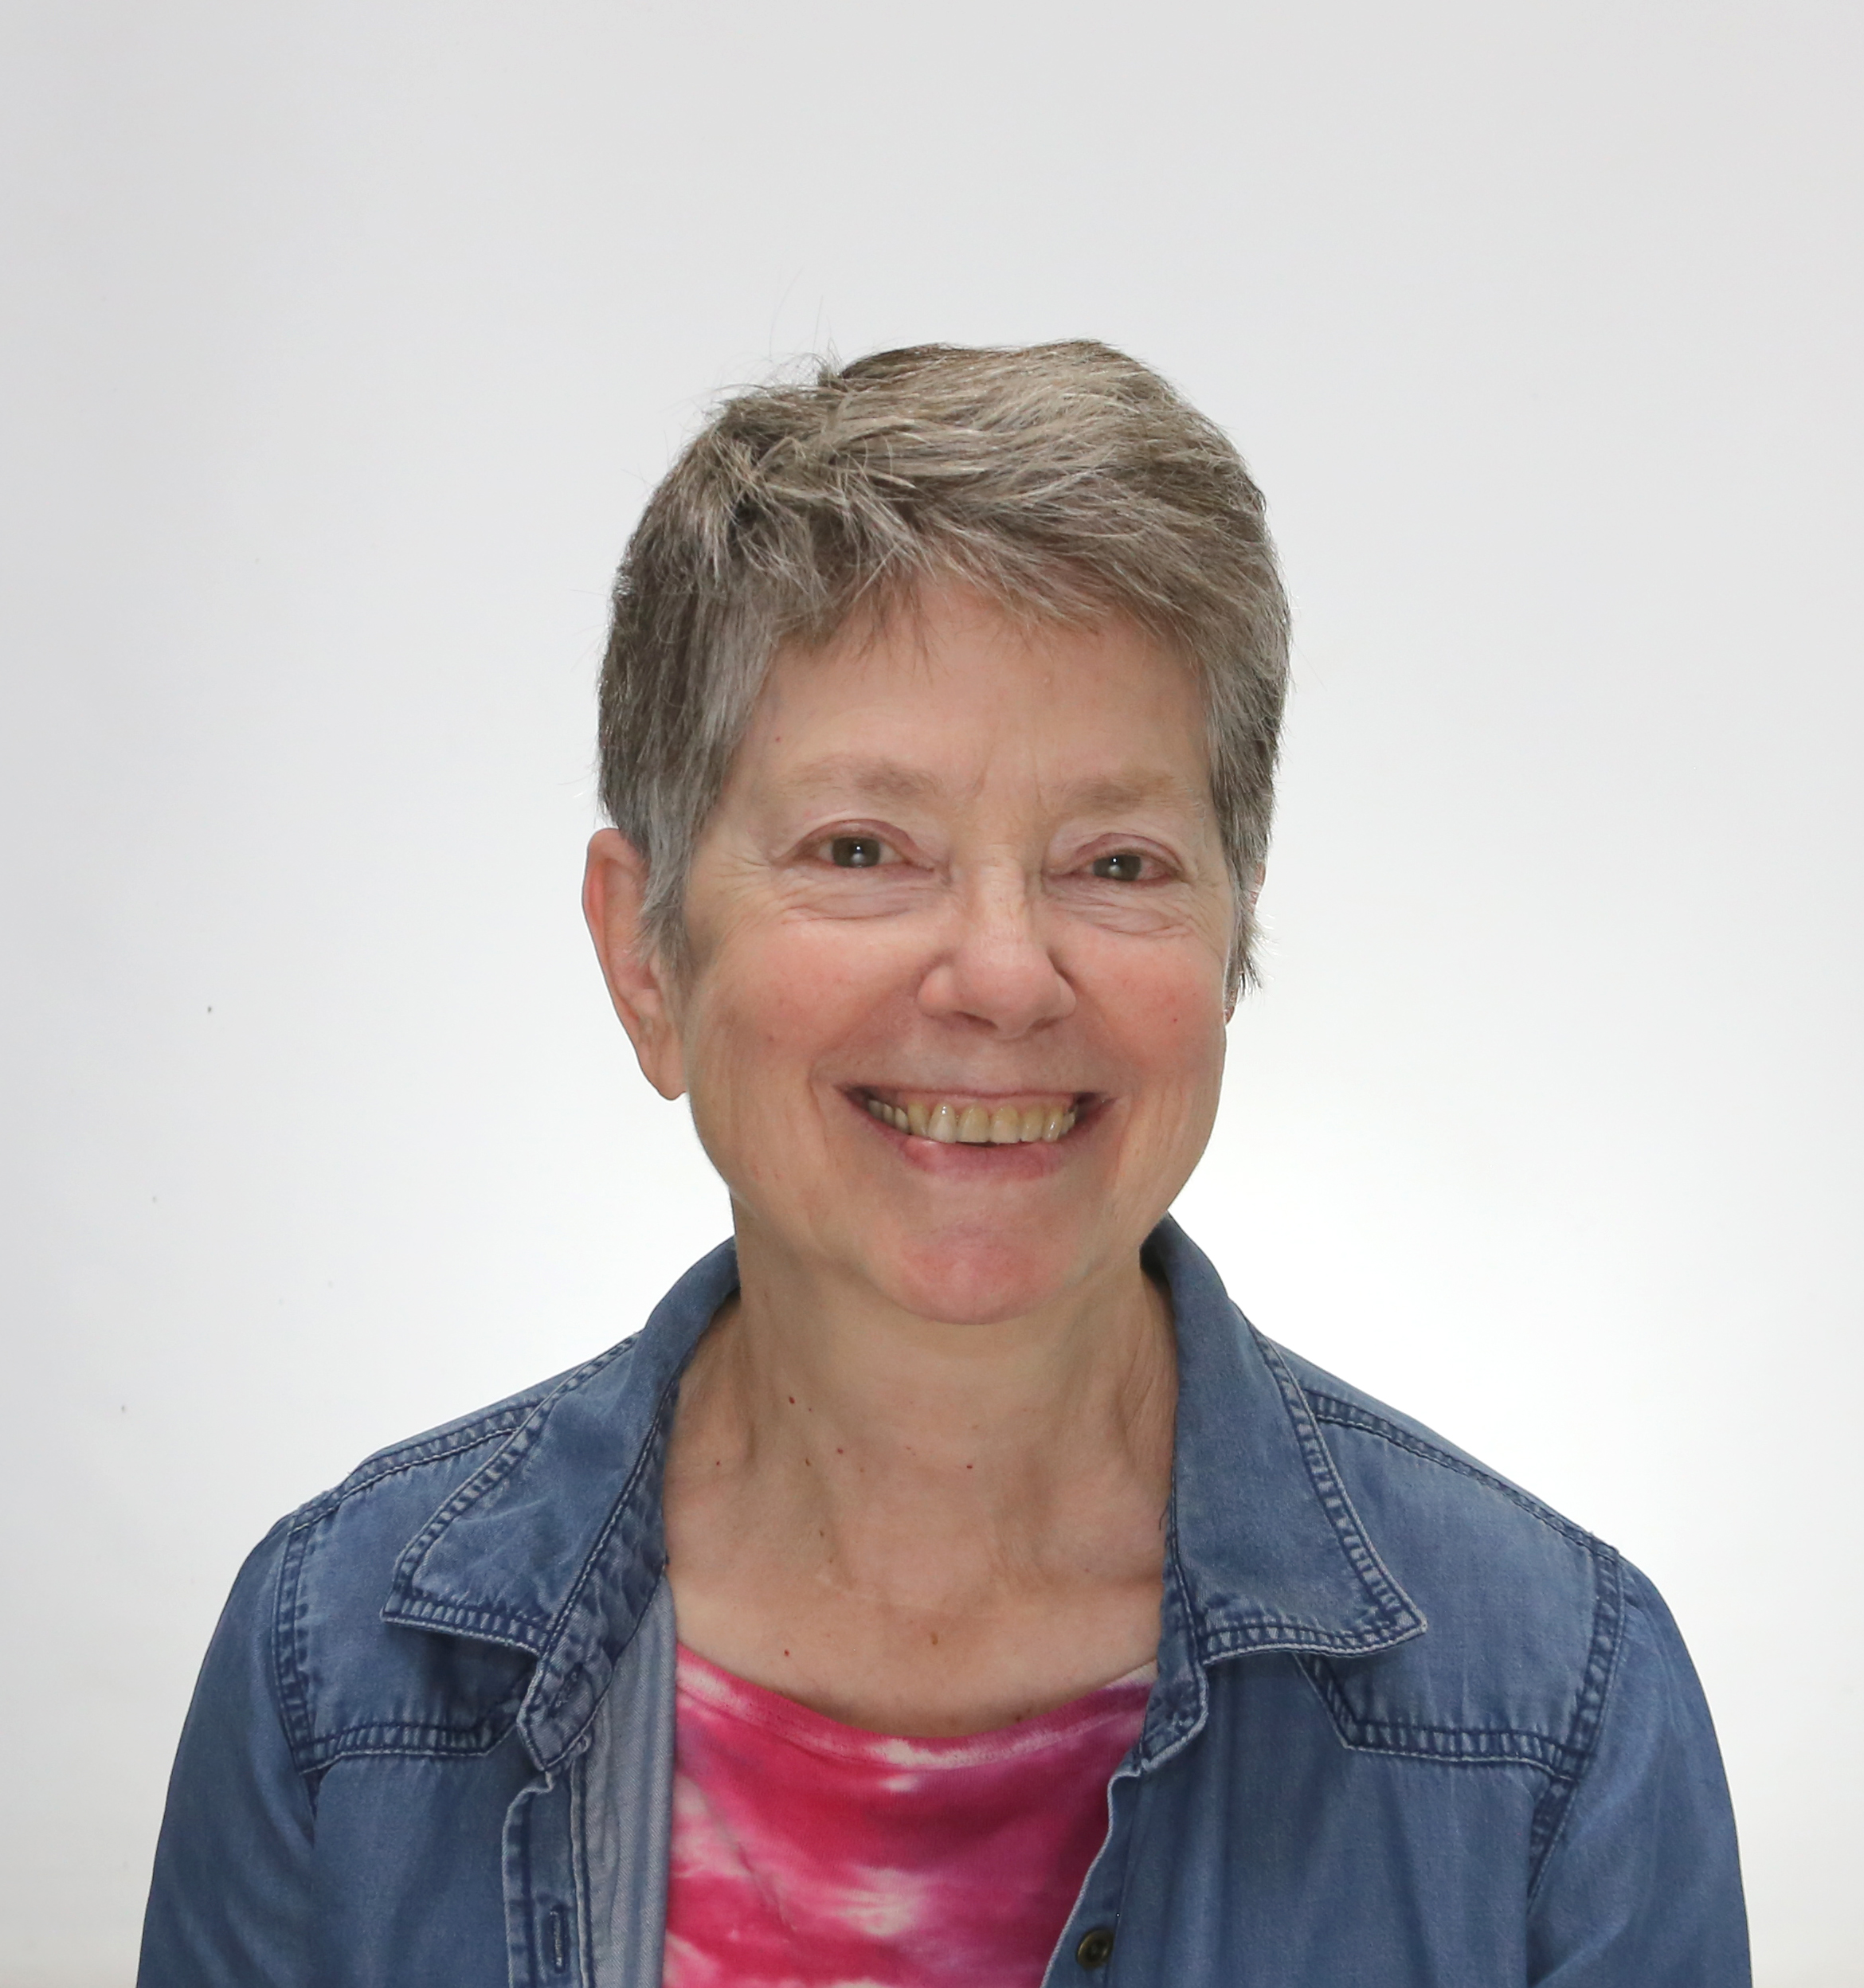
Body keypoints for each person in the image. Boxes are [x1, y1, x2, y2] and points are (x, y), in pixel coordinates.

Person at [137, 342, 1748, 1987]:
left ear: (1230, 935)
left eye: (1116, 863)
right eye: (862, 849)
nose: (1002, 974)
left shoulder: (1557, 1712)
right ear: (646, 957)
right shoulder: (332, 1669)